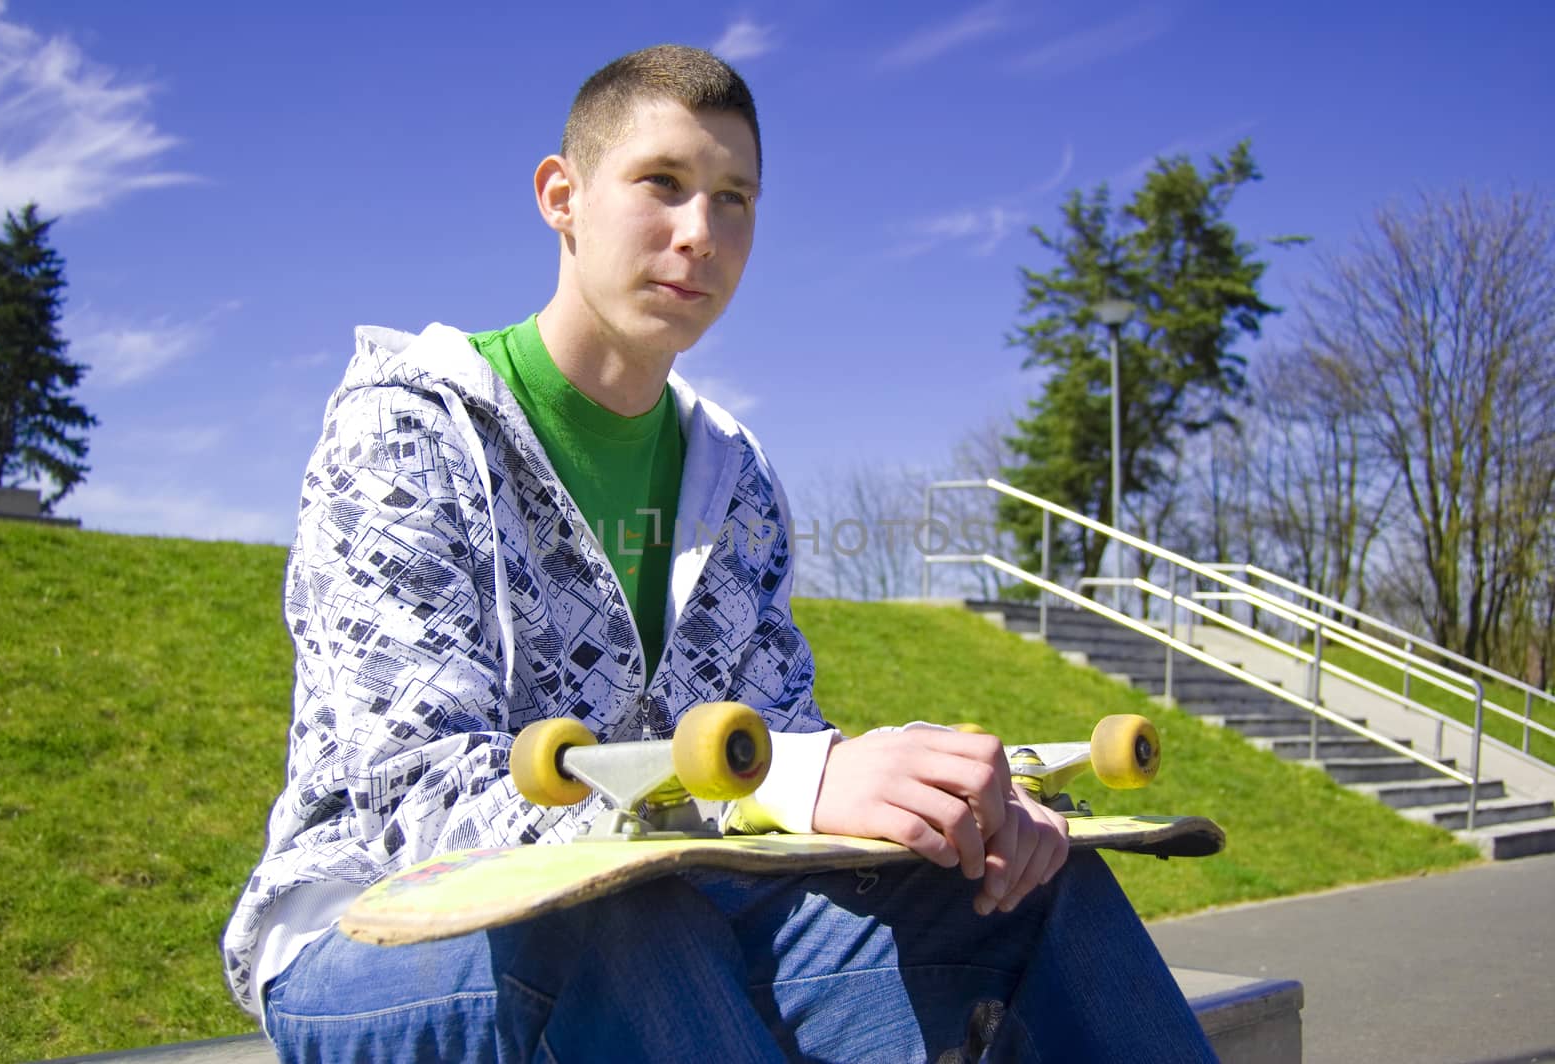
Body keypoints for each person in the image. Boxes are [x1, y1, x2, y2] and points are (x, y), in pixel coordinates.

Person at [222, 44, 1218, 1063]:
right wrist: (780, 777)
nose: (700, 233)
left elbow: (779, 751)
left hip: (690, 919)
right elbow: (414, 798)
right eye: (662, 183)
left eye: (734, 198)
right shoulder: (408, 431)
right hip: (375, 930)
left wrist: (943, 804)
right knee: (620, 918)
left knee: (1034, 889)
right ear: (560, 196)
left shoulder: (734, 478)